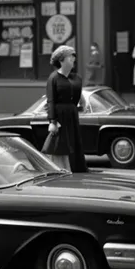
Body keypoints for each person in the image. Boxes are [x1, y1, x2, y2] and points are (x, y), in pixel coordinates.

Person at [42, 45, 88, 173]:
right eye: (70, 57)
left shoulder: (76, 78)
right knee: (60, 143)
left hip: (72, 113)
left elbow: (76, 92)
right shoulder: (53, 78)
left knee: (74, 141)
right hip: (60, 114)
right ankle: (61, 169)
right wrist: (52, 121)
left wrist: (82, 100)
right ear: (61, 60)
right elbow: (51, 100)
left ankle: (76, 167)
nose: (73, 59)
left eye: (74, 56)